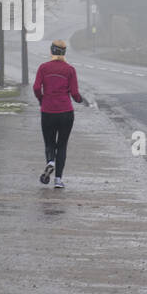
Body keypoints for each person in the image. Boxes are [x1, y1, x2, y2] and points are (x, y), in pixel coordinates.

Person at [32, 39, 85, 188]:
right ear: (64, 53)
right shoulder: (70, 70)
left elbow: (36, 87)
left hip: (48, 111)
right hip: (66, 112)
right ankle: (58, 180)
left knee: (49, 143)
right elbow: (74, 93)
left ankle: (50, 161)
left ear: (51, 51)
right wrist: (80, 99)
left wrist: (42, 99)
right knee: (62, 145)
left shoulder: (43, 68)